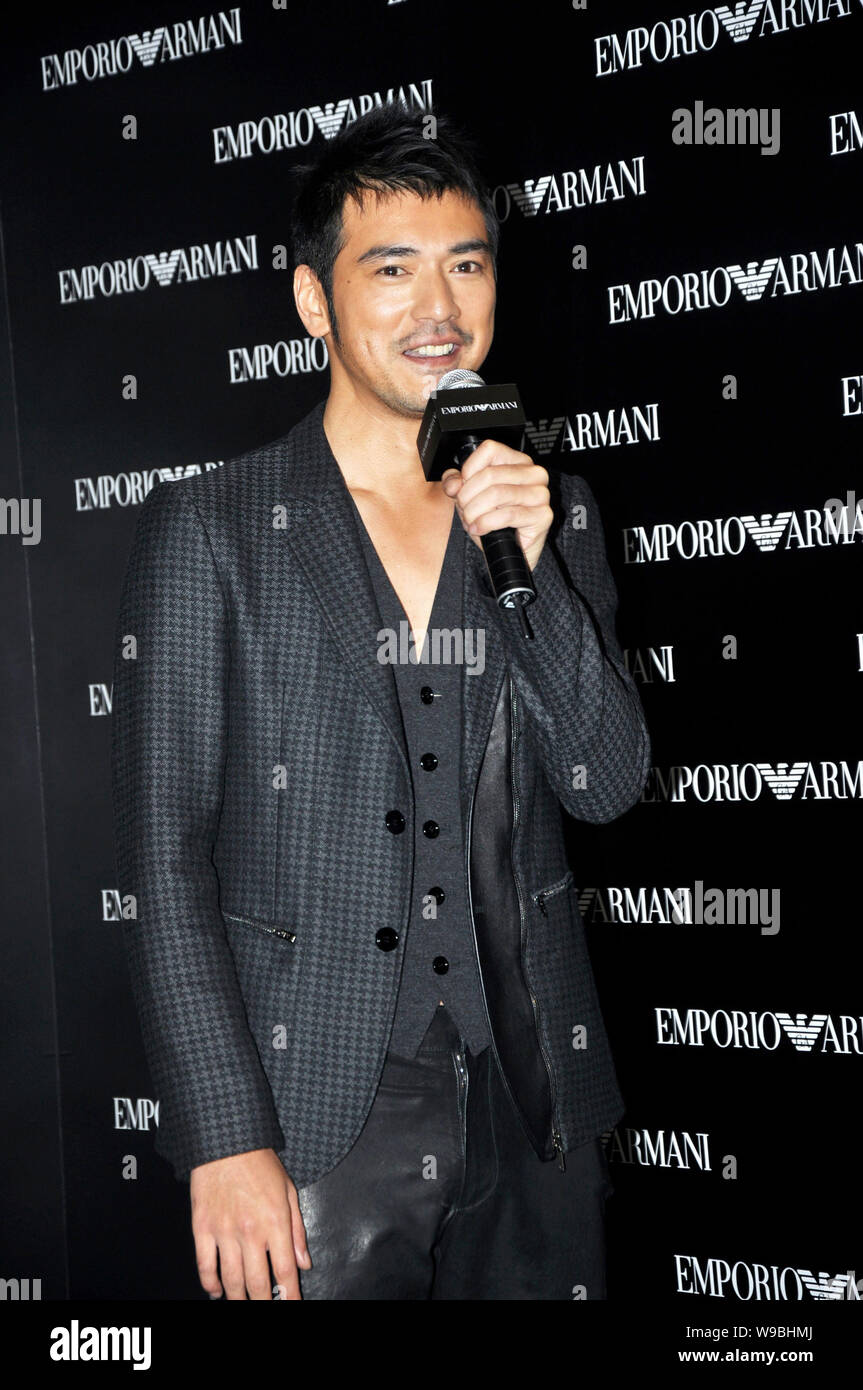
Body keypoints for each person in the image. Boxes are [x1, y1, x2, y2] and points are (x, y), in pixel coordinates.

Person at [111, 103, 651, 1301]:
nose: (438, 307)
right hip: (312, 1117)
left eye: (466, 264)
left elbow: (606, 784)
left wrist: (531, 569)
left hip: (533, 1105)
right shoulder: (215, 528)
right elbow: (163, 852)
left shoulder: (547, 509)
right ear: (314, 300)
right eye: (392, 269)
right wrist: (224, 1135)